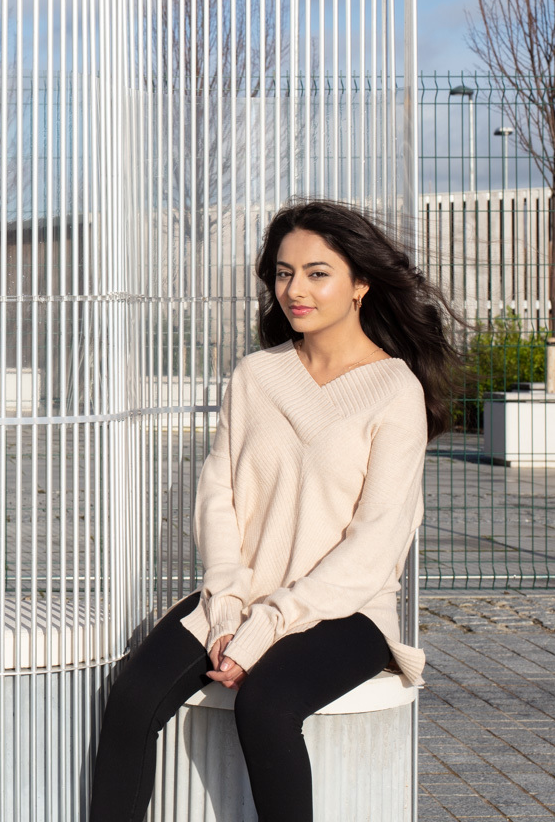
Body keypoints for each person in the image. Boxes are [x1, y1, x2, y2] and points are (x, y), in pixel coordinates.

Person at [88, 200, 460, 822]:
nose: (296, 289)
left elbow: (375, 541)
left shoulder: (395, 390)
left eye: (318, 273)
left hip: (346, 609)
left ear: (360, 283)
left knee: (266, 703)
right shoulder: (257, 375)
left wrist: (271, 624)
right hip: (241, 595)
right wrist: (229, 603)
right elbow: (219, 496)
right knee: (131, 698)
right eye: (284, 273)